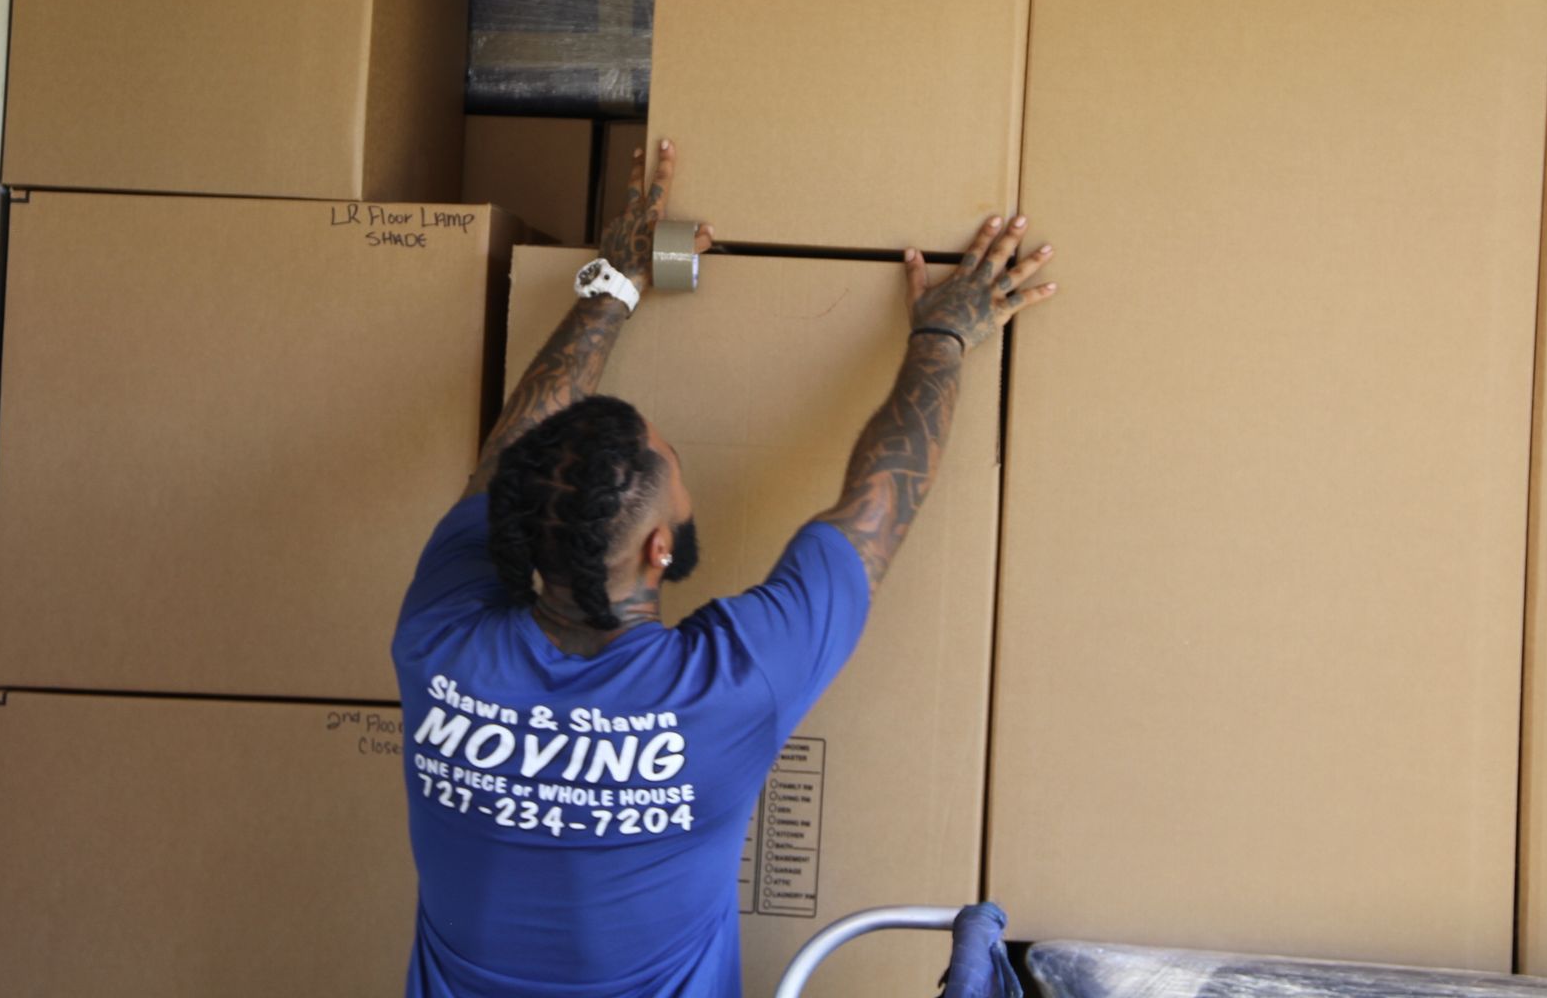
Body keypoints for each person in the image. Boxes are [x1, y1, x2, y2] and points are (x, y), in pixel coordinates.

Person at [392, 139, 1057, 998]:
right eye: (678, 472)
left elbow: (514, 456)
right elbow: (877, 507)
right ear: (660, 551)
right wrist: (943, 333)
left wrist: (612, 283)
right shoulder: (729, 687)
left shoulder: (437, 639)